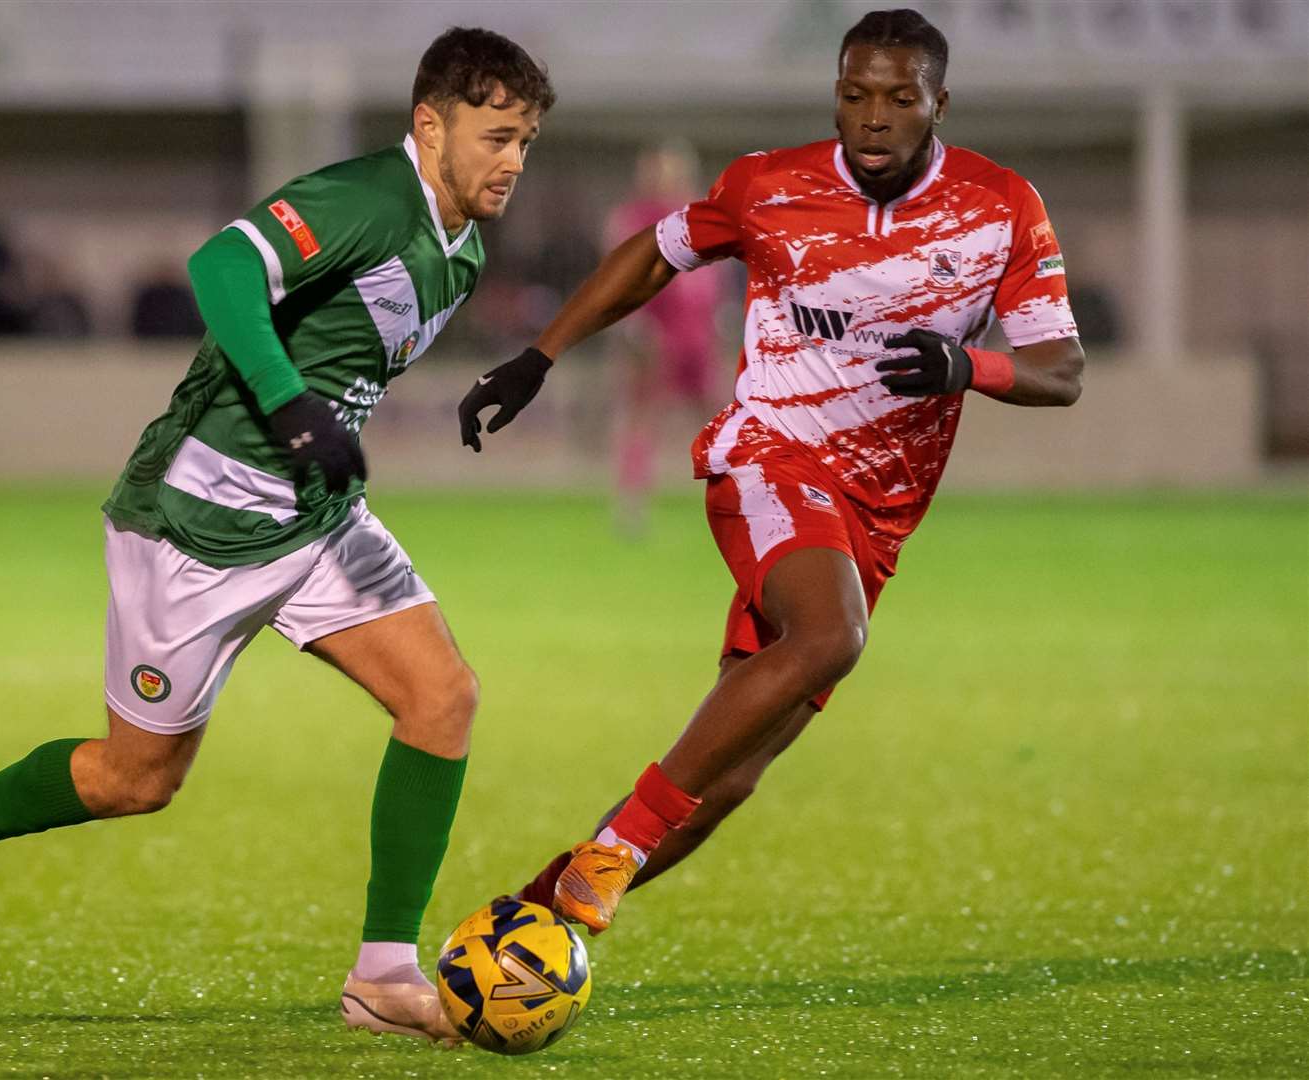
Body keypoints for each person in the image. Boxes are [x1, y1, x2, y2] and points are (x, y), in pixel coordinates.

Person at [0, 27, 555, 1046]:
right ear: (430, 123)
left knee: (441, 696)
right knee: (135, 780)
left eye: (527, 141)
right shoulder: (369, 199)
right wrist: (289, 404)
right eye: (496, 135)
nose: (512, 159)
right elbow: (222, 265)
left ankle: (382, 973)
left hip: (318, 518)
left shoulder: (461, 252)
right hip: (196, 520)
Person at [458, 8, 1083, 934]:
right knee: (832, 635)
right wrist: (539, 356)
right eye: (854, 94)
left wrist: (968, 366)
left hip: (879, 515)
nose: (872, 116)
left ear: (937, 104)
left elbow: (1060, 369)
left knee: (730, 775)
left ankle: (525, 928)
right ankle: (615, 851)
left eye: (898, 98)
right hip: (769, 460)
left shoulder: (1000, 206)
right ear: (835, 92)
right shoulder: (767, 184)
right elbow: (654, 255)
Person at [603, 142, 725, 535]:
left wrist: (719, 319)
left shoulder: (698, 215)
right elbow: (622, 277)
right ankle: (631, 504)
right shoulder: (634, 220)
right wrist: (636, 327)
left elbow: (714, 275)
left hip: (699, 335)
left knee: (719, 420)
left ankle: (736, 499)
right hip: (658, 337)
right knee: (642, 418)